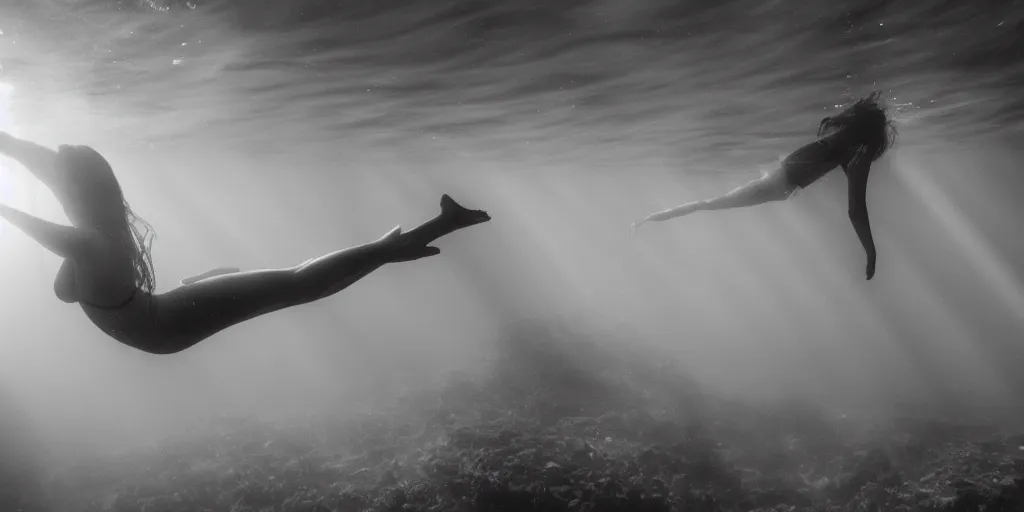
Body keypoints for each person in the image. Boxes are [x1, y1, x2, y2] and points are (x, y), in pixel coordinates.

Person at [0, 132, 491, 354]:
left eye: (57, 173)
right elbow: (32, 159)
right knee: (300, 287)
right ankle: (412, 238)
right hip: (164, 325)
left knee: (300, 284)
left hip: (167, 321)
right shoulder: (92, 217)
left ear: (73, 188)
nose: (47, 170)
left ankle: (425, 232)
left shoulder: (87, 239)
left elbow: (21, 213)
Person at [632, 91, 897, 280]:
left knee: (711, 204)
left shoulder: (853, 153)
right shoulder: (848, 145)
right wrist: (870, 252)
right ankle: (649, 219)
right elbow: (854, 207)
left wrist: (870, 252)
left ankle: (648, 219)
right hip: (775, 182)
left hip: (774, 185)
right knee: (712, 203)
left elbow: (856, 209)